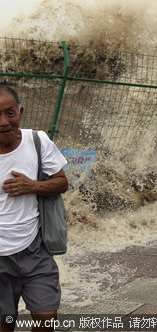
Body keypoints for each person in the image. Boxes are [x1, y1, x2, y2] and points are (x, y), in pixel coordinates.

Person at [0, 85, 69, 332]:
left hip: (35, 251)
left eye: (10, 113)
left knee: (46, 319)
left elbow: (62, 182)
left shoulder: (37, 140)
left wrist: (33, 185)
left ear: (20, 112)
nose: (4, 122)